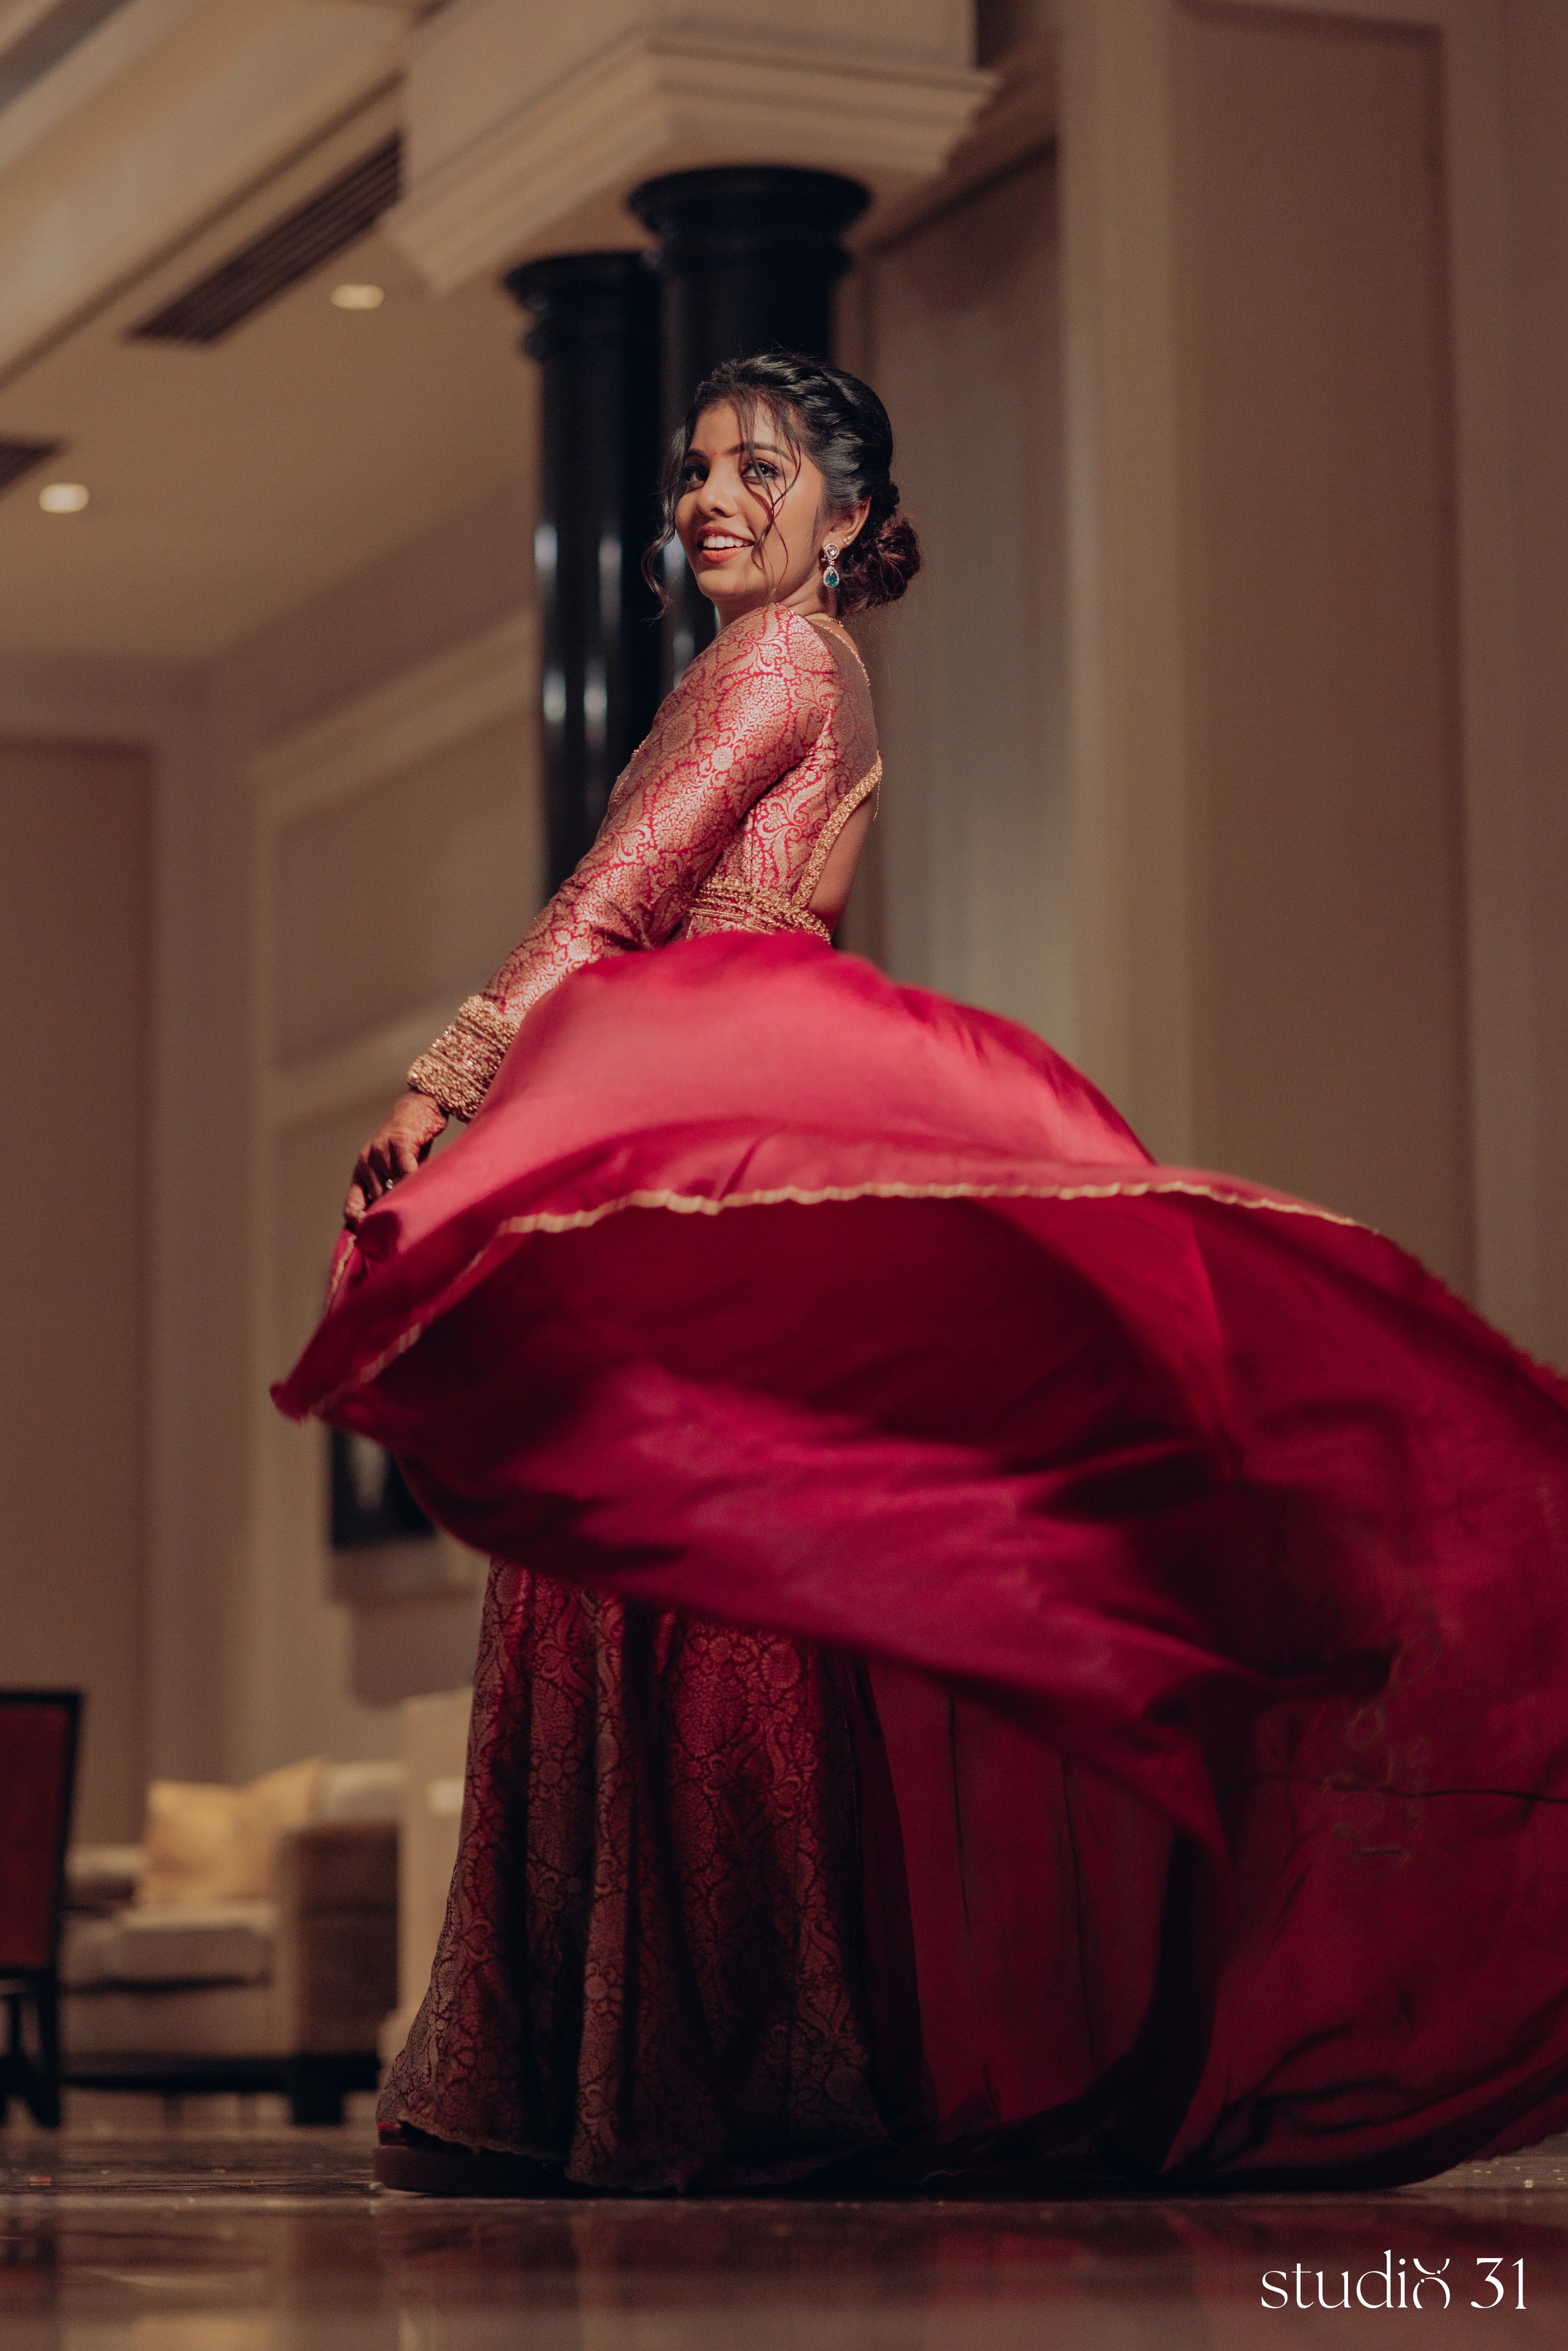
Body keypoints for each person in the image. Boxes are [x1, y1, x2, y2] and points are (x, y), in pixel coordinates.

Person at [277, 352, 1568, 2197]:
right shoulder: (776, 666)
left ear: (852, 516)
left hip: (719, 1076)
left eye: (761, 468)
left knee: (694, 1559)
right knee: (691, 1555)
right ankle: (689, 2061)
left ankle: (705, 2065)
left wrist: (449, 1071)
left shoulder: (781, 660)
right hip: (699, 1078)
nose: (712, 497)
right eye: (695, 471)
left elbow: (620, 895)